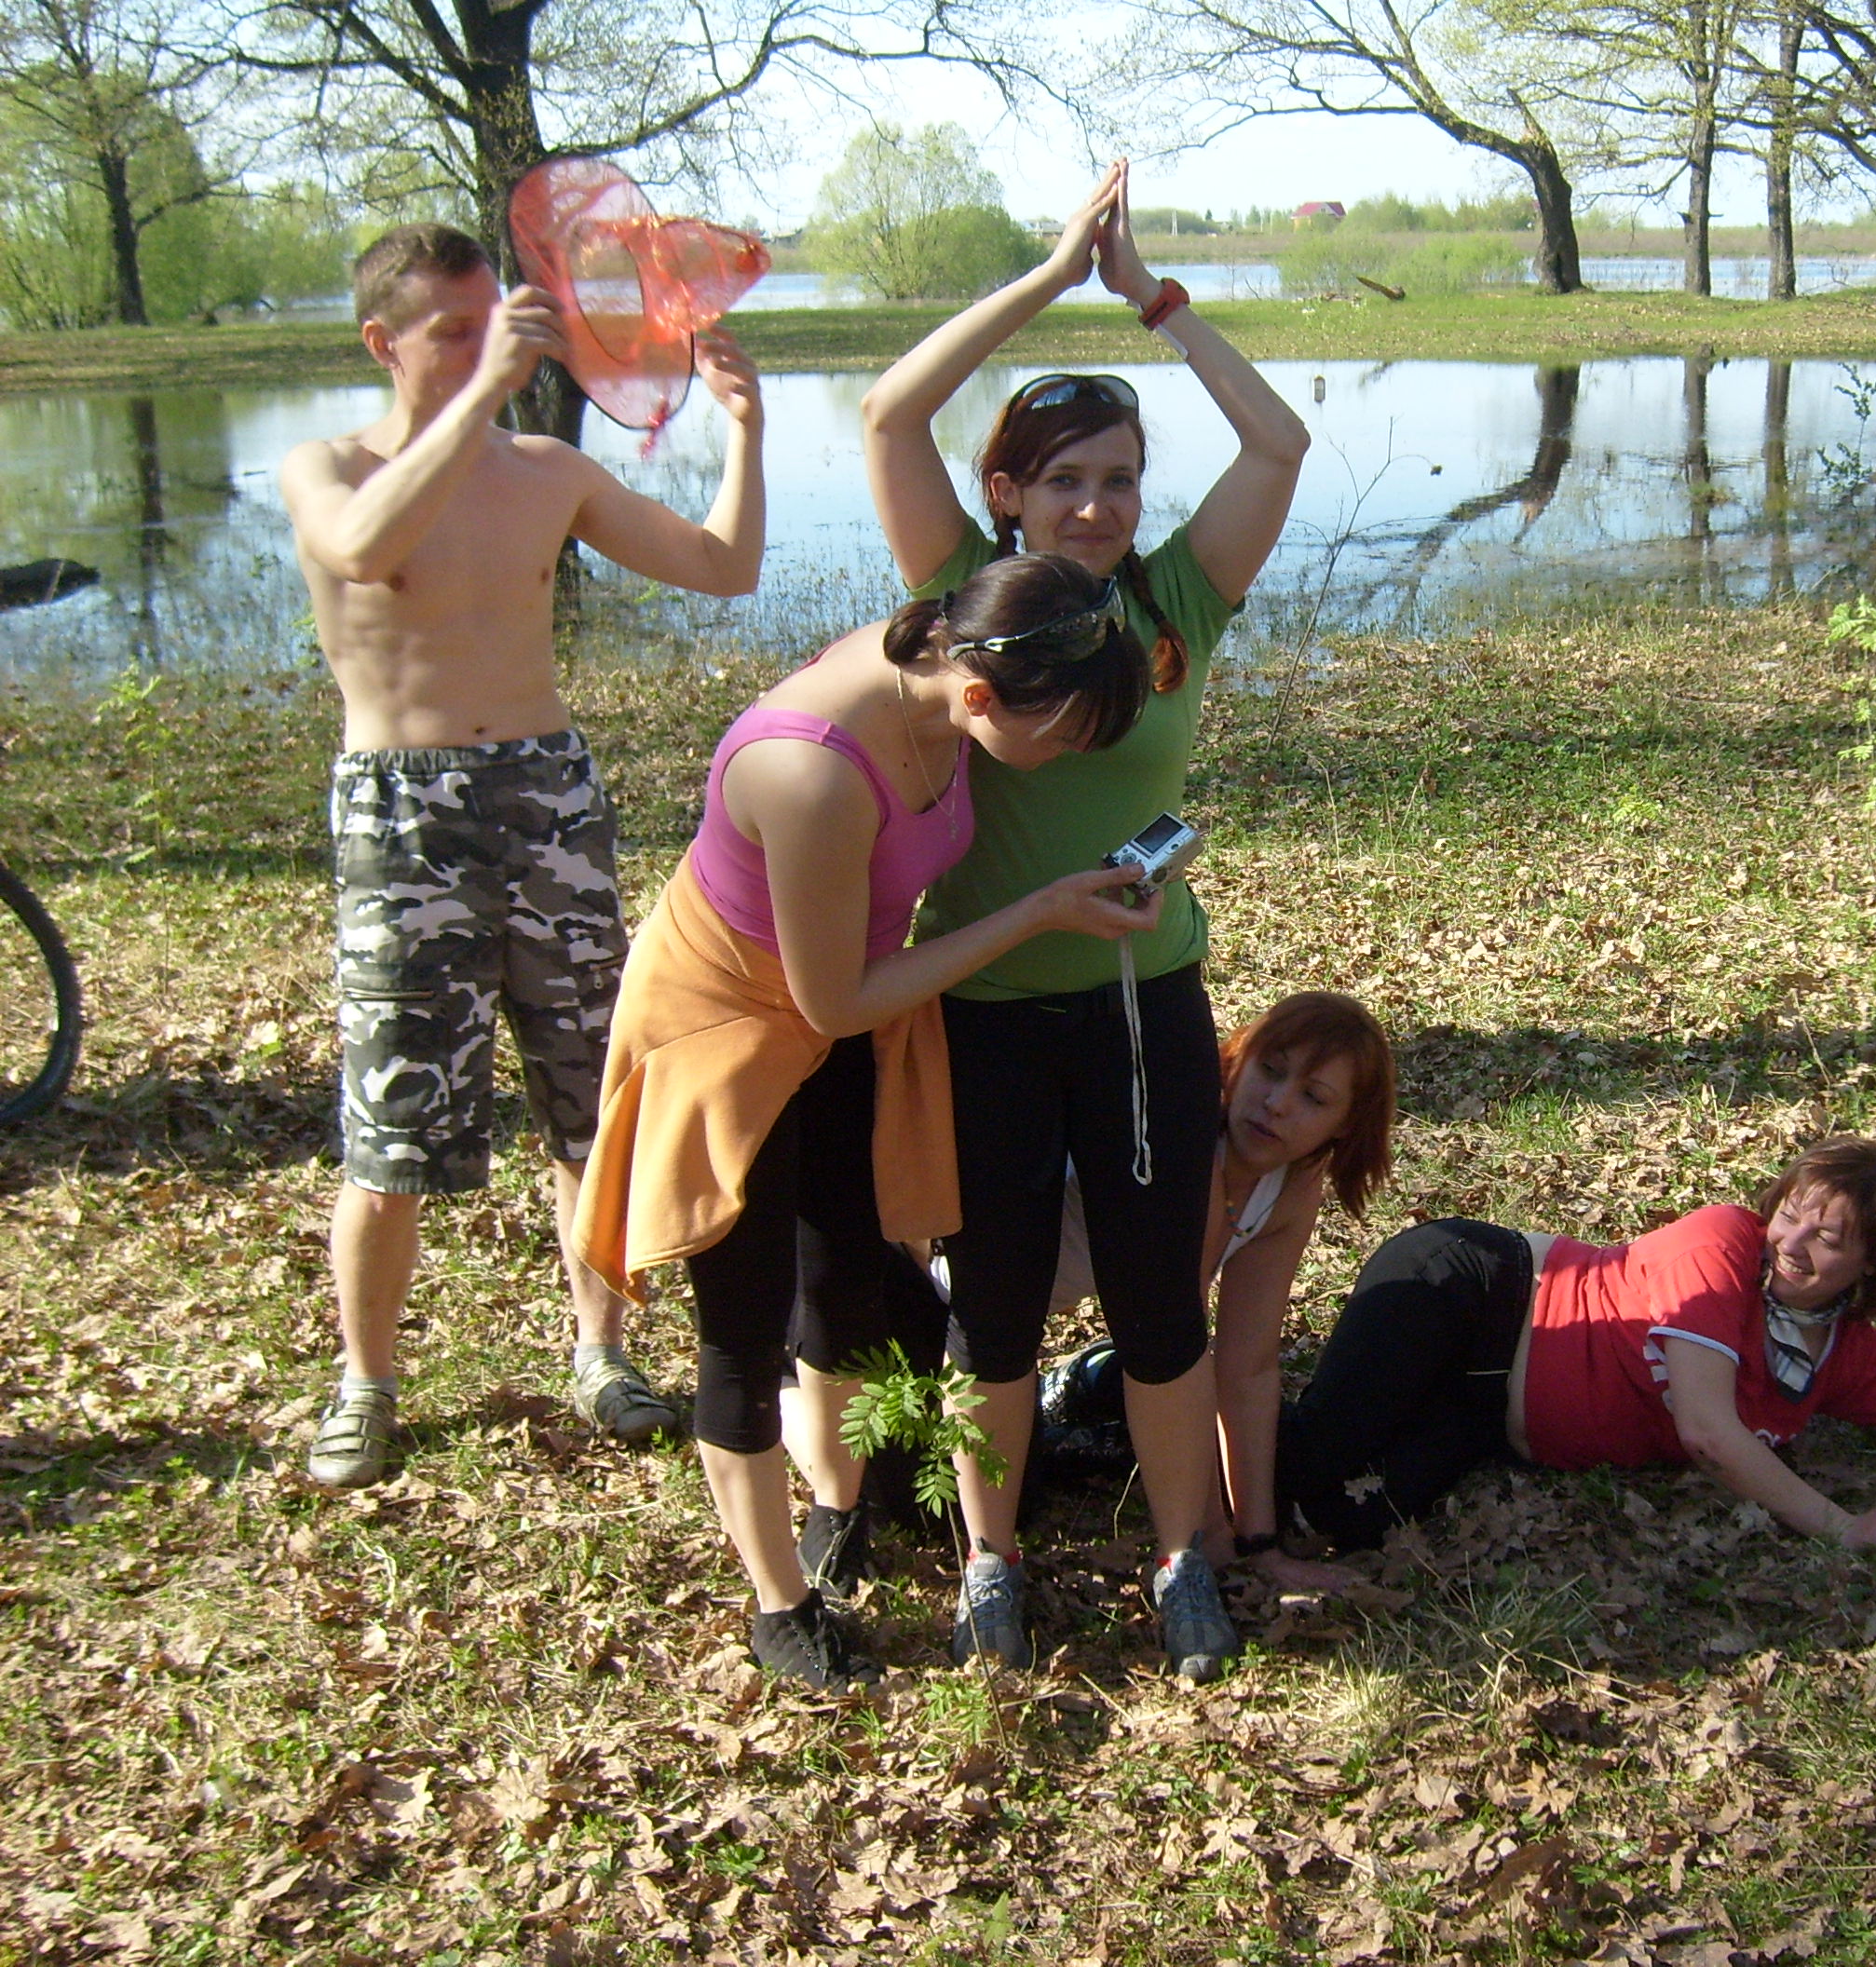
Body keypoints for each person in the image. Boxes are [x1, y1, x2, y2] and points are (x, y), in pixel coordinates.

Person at [860, 159, 1310, 1681]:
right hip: (983, 1008)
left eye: (1119, 477)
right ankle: (992, 1560)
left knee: (1157, 1301)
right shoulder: (964, 591)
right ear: (1008, 494)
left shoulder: (1177, 603)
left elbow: (1279, 441)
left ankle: (1185, 1561)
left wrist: (1155, 302)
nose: (1098, 506)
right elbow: (888, 417)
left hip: (1142, 1005)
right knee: (994, 1310)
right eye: (1064, 480)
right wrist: (1049, 280)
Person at [574, 553, 1155, 1689]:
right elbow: (829, 999)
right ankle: (777, 1603)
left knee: (844, 1273)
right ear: (978, 696)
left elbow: (844, 998)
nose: (1070, 756)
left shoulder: (946, 675)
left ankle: (837, 1505)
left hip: (842, 1002)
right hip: (730, 1025)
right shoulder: (810, 770)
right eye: (1064, 736)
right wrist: (1036, 914)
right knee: (742, 1327)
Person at [279, 223, 766, 1488]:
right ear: (382, 343)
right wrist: (484, 388)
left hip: (547, 795)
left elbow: (723, 567)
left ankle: (603, 1352)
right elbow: (363, 549)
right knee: (392, 1125)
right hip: (402, 810)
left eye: (493, 322)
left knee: (588, 1103)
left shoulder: (546, 470)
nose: (488, 346)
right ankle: (366, 1384)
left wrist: (746, 431)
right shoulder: (326, 467)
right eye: (453, 330)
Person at [1276, 1137, 1876, 1553]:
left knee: (1346, 1521)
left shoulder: (1846, 1354)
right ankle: (1200, 1416)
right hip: (1474, 1294)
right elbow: (1707, 1432)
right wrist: (1841, 1527)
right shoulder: (1724, 1243)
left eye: (1828, 1238)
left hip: (1482, 1416)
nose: (1792, 1242)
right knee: (1308, 1458)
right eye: (1792, 1214)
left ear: (1873, 1264)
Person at [1031, 992, 1396, 1594]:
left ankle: (1087, 1381)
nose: (1277, 1103)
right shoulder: (1187, 1145)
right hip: (947, 1327)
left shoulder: (1294, 1181)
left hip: (1051, 1337)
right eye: (1270, 1070)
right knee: (1003, 1498)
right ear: (1236, 1060)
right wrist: (1213, 1543)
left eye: (1314, 1097)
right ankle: (1078, 1389)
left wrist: (1260, 1544)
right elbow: (1178, 1362)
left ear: (1347, 1124)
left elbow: (1247, 1367)